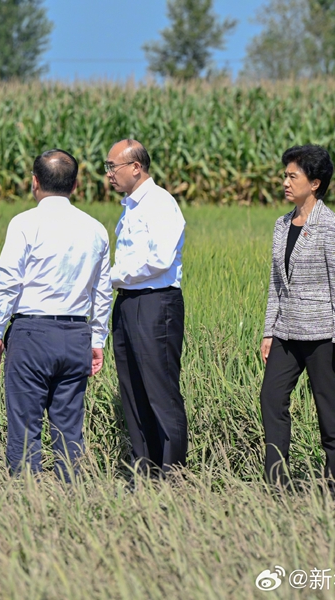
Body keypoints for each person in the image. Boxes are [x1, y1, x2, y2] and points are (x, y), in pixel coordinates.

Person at [0, 149, 112, 480]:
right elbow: (102, 290)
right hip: (76, 336)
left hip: (31, 334)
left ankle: (26, 500)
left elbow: (8, 280)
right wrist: (98, 338)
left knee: (25, 426)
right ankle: (70, 498)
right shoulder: (96, 229)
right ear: (76, 185)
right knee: (69, 428)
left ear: (34, 182)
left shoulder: (25, 223)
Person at [260, 144, 335, 492]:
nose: (285, 181)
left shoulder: (332, 227)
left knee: (329, 413)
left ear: (314, 183)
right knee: (271, 399)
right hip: (286, 333)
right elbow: (275, 283)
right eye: (285, 175)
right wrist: (269, 330)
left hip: (322, 337)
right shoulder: (282, 224)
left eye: (292, 176)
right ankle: (277, 485)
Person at [105, 139, 187, 478]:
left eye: (113, 166)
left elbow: (160, 259)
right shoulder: (131, 207)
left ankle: (173, 474)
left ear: (136, 167)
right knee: (133, 391)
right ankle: (145, 471)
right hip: (127, 303)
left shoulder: (159, 203)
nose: (108, 174)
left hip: (155, 304)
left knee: (160, 391)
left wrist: (113, 275)